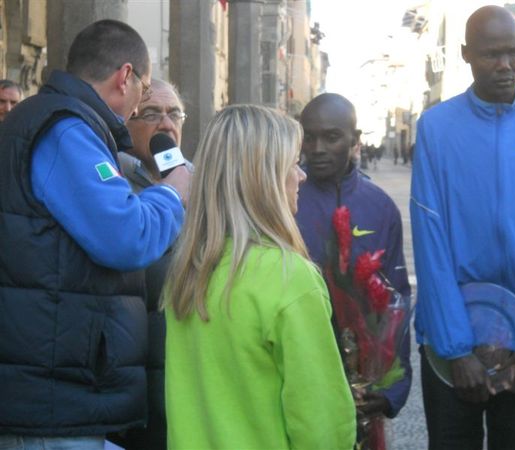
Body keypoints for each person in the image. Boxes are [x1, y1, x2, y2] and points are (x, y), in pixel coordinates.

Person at [0, 20, 190, 449]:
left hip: (58, 389)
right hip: (52, 401)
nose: (144, 110)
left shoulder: (62, 123)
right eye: (146, 96)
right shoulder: (66, 129)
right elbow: (127, 235)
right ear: (125, 77)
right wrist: (174, 194)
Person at [410, 6, 515, 450]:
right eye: (491, 54)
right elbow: (431, 241)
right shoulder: (436, 128)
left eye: (513, 53)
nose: (505, 65)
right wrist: (454, 348)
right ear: (466, 54)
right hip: (454, 347)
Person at [163, 104, 356, 450]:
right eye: (290, 164)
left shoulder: (188, 270)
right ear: (263, 177)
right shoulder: (289, 278)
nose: (302, 175)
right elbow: (322, 424)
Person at [296, 93, 412, 449]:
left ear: (355, 140)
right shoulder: (284, 200)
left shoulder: (379, 207)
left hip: (363, 379)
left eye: (331, 137)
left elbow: (397, 298)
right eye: (308, 137)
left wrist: (392, 386)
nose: (316, 148)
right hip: (300, 372)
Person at [107, 79, 189, 450]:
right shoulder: (110, 185)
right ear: (127, 122)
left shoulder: (202, 184)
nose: (166, 125)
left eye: (174, 114)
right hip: (127, 385)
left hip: (189, 379)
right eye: (151, 113)